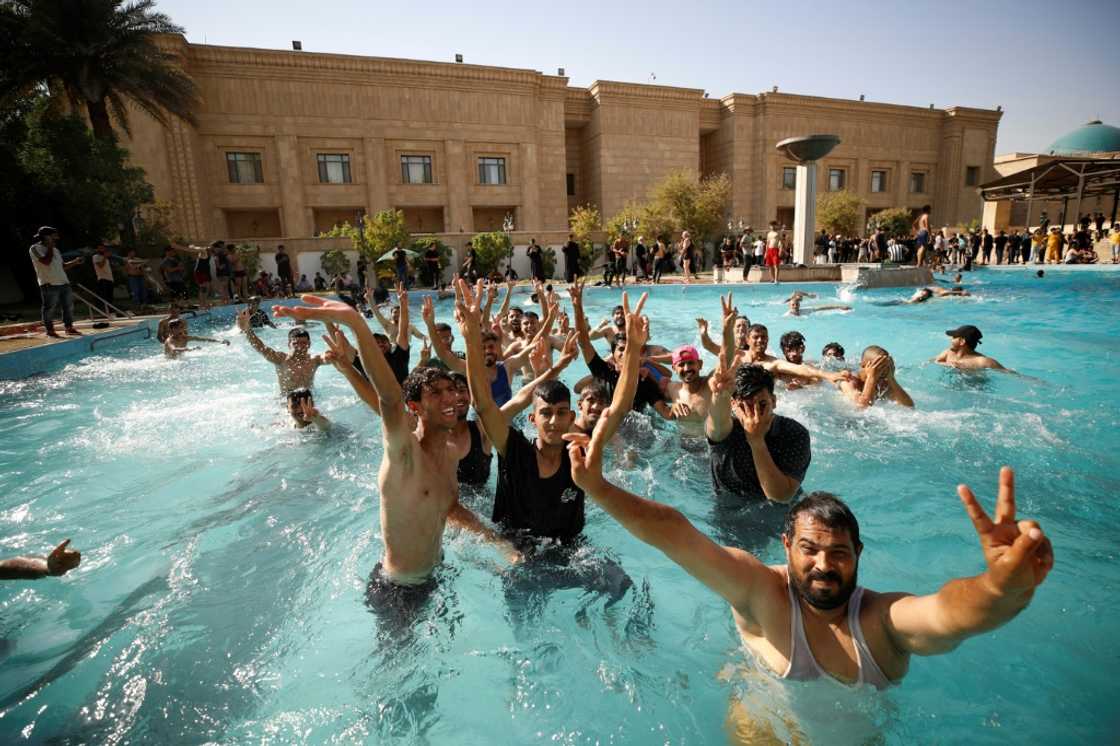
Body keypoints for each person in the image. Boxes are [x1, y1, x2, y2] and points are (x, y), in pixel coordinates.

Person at [565, 422, 1053, 706]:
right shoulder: (761, 593)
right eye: (810, 549)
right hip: (761, 728)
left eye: (839, 552)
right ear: (786, 547)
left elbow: (951, 614)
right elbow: (678, 536)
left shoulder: (880, 623)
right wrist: (599, 488)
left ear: (858, 555)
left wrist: (1001, 585)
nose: (824, 564)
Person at [273, 296, 517, 626]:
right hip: (397, 589)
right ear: (415, 407)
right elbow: (388, 398)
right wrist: (357, 324)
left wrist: (499, 545)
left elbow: (450, 509)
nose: (451, 398)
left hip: (437, 572)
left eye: (451, 390)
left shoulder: (448, 454)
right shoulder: (404, 452)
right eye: (437, 393)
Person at [457, 278, 643, 548]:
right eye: (545, 413)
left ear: (571, 417)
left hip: (571, 551)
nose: (554, 421)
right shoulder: (514, 449)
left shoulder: (580, 455)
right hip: (519, 550)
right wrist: (471, 337)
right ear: (533, 419)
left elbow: (620, 406)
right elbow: (484, 405)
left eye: (561, 413)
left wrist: (634, 349)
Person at [705, 351, 811, 505]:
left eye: (762, 405)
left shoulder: (794, 433)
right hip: (729, 511)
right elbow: (717, 420)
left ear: (774, 401)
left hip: (779, 512)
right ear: (733, 404)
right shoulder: (726, 429)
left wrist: (756, 441)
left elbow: (780, 497)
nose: (755, 416)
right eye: (745, 407)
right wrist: (720, 395)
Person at [238, 311, 324, 393]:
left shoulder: (315, 360)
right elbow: (261, 348)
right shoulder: (281, 359)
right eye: (295, 343)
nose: (300, 347)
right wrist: (247, 330)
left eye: (303, 343)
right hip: (287, 401)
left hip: (310, 399)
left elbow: (332, 356)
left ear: (309, 344)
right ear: (289, 344)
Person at [28, 226, 84, 337]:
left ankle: (69, 328)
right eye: (54, 236)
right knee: (49, 308)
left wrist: (75, 262)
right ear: (46, 236)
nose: (56, 238)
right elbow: (46, 261)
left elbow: (62, 267)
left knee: (68, 307)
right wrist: (49, 247)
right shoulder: (35, 248)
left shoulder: (55, 250)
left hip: (64, 282)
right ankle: (50, 330)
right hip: (49, 284)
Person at [836, 346, 914, 408]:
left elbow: (909, 406)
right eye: (878, 367)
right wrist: (871, 377)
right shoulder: (848, 380)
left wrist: (891, 379)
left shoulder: (883, 382)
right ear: (863, 365)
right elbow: (861, 407)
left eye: (886, 367)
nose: (883, 372)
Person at [934, 325, 1010, 371]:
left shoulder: (982, 361)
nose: (951, 339)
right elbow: (934, 361)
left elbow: (1007, 372)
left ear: (962, 341)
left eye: (954, 337)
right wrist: (947, 364)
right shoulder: (948, 353)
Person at [0, 539, 81, 580]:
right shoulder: (46, 560)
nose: (60, 554)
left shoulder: (56, 570)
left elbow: (51, 569)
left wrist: (51, 561)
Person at [163, 317, 229, 358]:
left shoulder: (185, 338)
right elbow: (174, 349)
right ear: (172, 330)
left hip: (179, 360)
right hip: (170, 362)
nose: (182, 330)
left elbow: (202, 339)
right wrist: (191, 349)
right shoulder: (170, 341)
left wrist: (220, 341)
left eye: (182, 327)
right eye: (180, 328)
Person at [91, 243, 117, 314]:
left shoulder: (106, 258)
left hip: (110, 279)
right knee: (105, 297)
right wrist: (105, 257)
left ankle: (110, 311)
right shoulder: (95, 256)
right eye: (100, 248)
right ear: (97, 249)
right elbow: (100, 266)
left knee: (110, 297)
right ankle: (105, 311)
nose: (102, 249)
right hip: (103, 279)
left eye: (103, 248)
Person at [785, 291, 851, 316]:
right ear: (789, 306)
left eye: (797, 304)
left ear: (799, 305)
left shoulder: (805, 310)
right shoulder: (787, 316)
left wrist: (839, 307)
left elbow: (822, 308)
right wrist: (808, 295)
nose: (795, 306)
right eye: (793, 305)